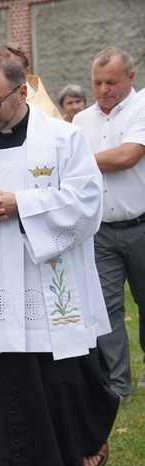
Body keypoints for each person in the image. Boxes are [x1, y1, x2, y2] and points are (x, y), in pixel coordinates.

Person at [0, 56, 118, 466]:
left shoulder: (63, 139)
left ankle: (79, 444)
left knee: (60, 368)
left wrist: (22, 205)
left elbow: (87, 201)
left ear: (22, 92)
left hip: (44, 277)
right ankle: (5, 462)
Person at [74, 47, 145, 403]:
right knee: (107, 310)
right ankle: (119, 385)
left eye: (111, 82)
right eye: (97, 82)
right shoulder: (80, 121)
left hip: (141, 225)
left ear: (130, 78)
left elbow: (127, 156)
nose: (103, 89)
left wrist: (78, 161)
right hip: (99, 230)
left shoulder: (141, 108)